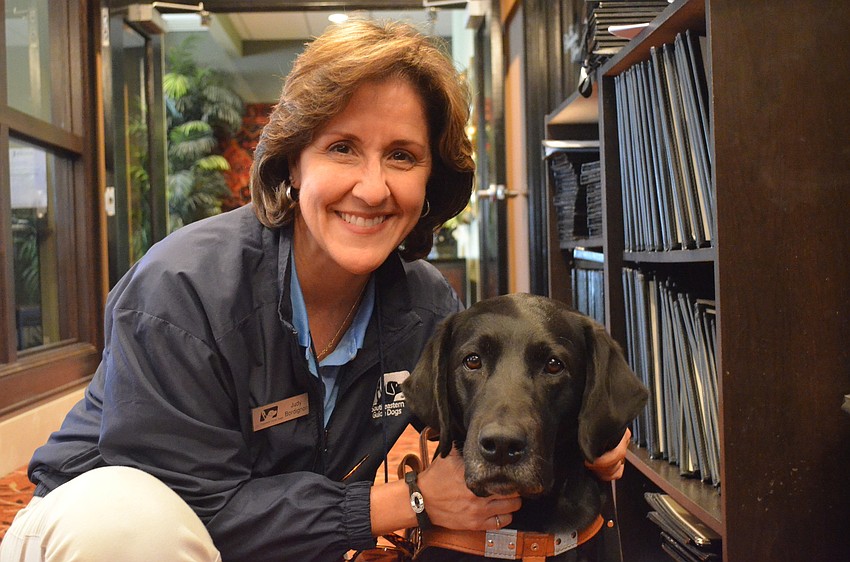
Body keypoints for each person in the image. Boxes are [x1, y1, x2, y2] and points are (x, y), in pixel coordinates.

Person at [0, 19, 630, 562]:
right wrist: (407, 501)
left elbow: (488, 408)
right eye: (342, 148)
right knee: (129, 521)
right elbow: (196, 506)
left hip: (277, 544)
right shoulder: (183, 288)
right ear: (293, 163)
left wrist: (585, 433)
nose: (373, 188)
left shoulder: (426, 308)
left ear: (429, 182)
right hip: (102, 531)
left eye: (403, 156)